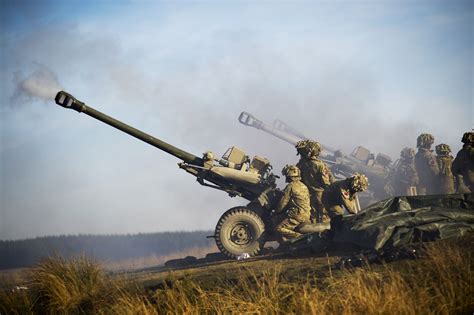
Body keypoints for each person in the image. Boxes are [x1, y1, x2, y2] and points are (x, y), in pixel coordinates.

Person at [295, 140, 334, 223]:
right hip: (321, 196)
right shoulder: (320, 165)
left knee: (312, 219)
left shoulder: (301, 164)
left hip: (307, 196)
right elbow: (327, 184)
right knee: (324, 221)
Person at [274, 165, 312, 242]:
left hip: (297, 216)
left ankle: (301, 238)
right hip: (307, 215)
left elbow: (283, 203)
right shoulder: (304, 186)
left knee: (279, 229)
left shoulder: (290, 186)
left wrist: (276, 212)